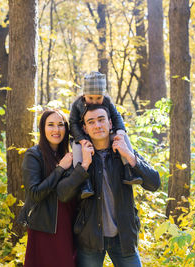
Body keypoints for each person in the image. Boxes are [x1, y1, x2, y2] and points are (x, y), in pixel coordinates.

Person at [57, 104, 161, 267]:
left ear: (110, 123)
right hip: (90, 239)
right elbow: (63, 194)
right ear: (84, 128)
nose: (97, 125)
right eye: (91, 122)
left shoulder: (124, 153)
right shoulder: (80, 157)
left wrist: (130, 155)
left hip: (124, 237)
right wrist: (84, 165)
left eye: (101, 120)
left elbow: (154, 183)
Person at [17, 109, 90, 267]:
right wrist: (60, 169)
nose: (56, 130)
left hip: (69, 224)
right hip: (45, 226)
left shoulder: (70, 154)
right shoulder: (33, 155)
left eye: (60, 125)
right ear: (43, 128)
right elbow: (35, 193)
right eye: (50, 125)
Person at [69, 71, 142, 199]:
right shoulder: (77, 105)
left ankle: (128, 169)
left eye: (98, 98)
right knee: (77, 150)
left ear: (103, 95)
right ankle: (84, 183)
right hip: (82, 135)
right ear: (84, 94)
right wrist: (81, 140)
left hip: (106, 132)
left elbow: (116, 116)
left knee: (123, 139)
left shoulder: (107, 102)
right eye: (90, 98)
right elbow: (73, 123)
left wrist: (120, 132)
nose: (95, 101)